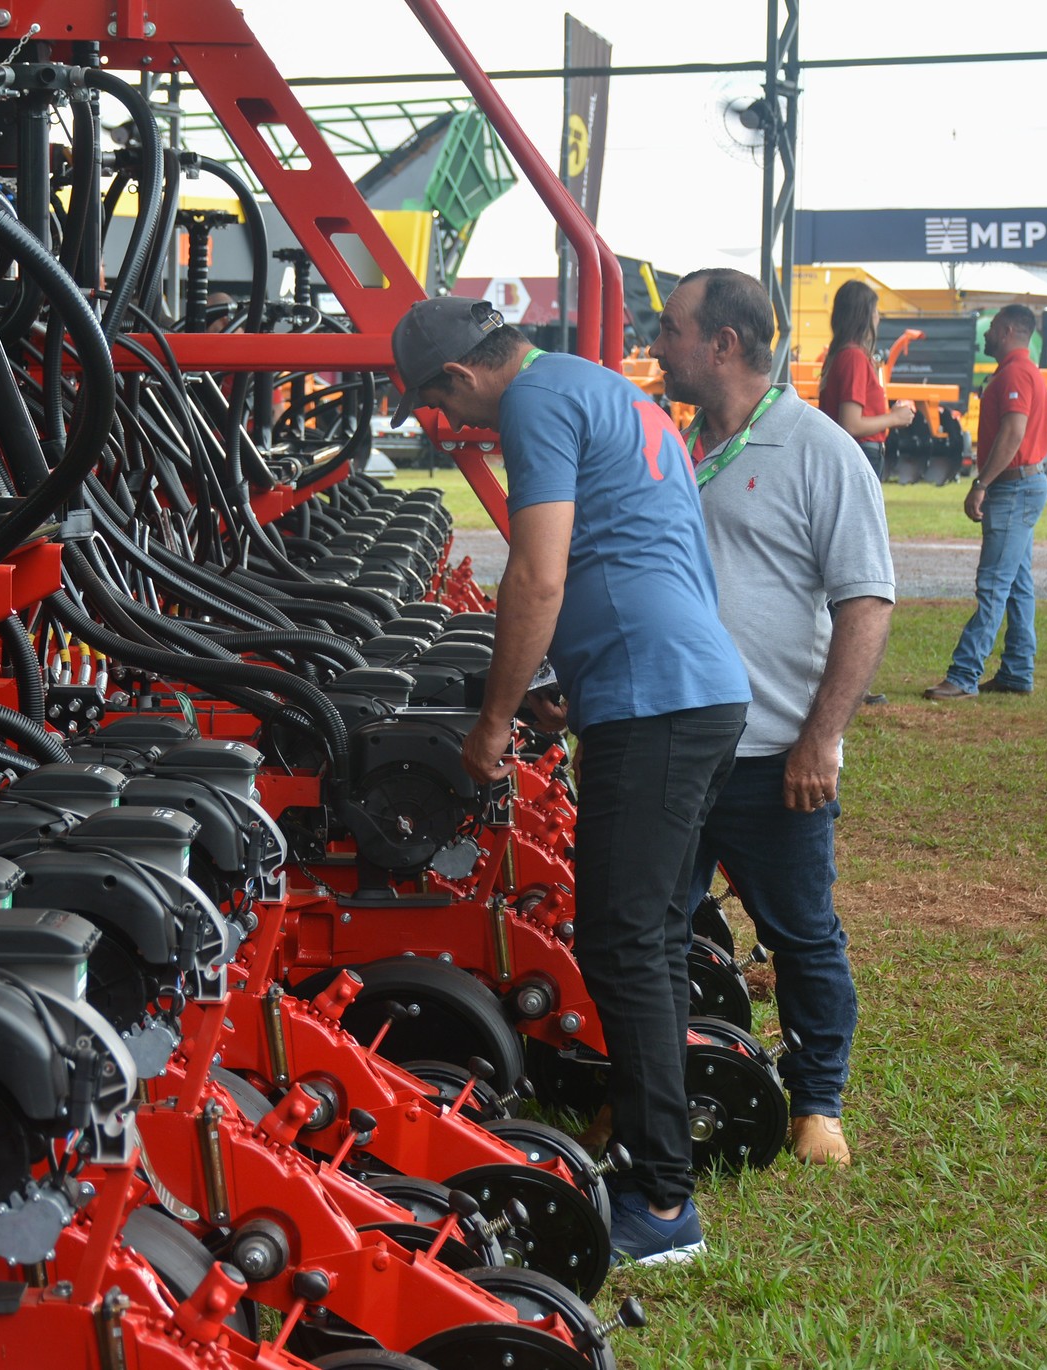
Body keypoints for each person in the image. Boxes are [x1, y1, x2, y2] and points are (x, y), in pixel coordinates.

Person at [390, 295, 750, 1264]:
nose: (447, 424)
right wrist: (572, 684)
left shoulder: (532, 406)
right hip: (694, 684)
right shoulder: (608, 392)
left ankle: (661, 1203)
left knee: (622, 942)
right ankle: (649, 1143)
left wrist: (495, 717)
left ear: (458, 379)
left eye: (436, 405)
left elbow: (537, 574)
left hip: (657, 699)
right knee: (650, 939)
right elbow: (651, 550)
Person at [648, 267, 893, 1168]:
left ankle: (817, 1104)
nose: (658, 344)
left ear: (724, 344)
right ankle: (651, 1095)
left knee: (799, 933)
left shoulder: (819, 450)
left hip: (771, 754)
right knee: (653, 933)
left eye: (671, 329)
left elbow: (867, 601)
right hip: (672, 744)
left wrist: (820, 737)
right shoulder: (674, 446)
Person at [925, 304, 1047, 699]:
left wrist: (981, 483)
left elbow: (1013, 433)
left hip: (1013, 487)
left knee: (994, 584)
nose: (986, 334)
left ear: (1008, 330)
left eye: (992, 327)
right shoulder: (1023, 370)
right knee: (1017, 585)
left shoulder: (1015, 372)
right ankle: (1016, 671)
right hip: (1025, 484)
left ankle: (963, 676)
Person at [815, 278, 916, 474]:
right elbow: (851, 424)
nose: (878, 318)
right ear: (864, 317)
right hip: (862, 453)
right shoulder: (854, 357)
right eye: (875, 311)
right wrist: (894, 418)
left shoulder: (841, 355)